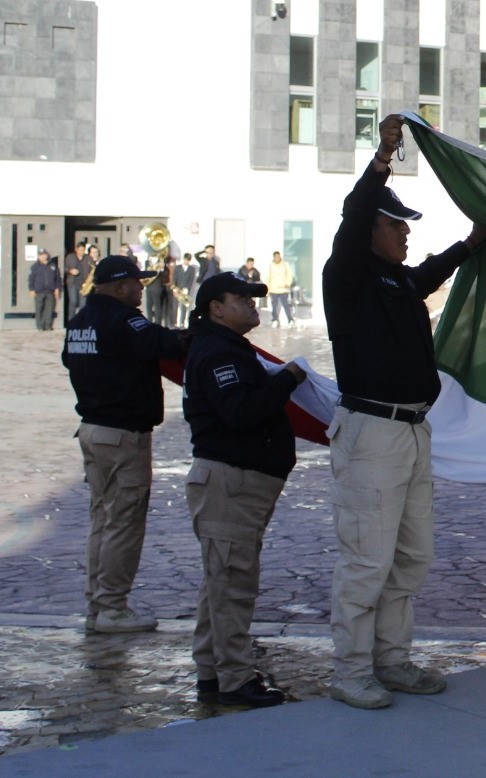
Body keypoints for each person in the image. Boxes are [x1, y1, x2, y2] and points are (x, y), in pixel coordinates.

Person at [323, 113, 486, 710]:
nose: (405, 235)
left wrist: (467, 248)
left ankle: (392, 660)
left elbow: (425, 275)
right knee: (367, 558)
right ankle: (350, 670)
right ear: (371, 228)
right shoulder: (346, 276)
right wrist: (382, 156)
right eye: (397, 225)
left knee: (411, 554)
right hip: (371, 432)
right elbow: (352, 217)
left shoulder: (394, 281)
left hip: (413, 433)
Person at [183, 272, 306, 708]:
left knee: (220, 582)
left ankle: (213, 673)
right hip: (229, 483)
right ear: (216, 307)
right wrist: (288, 378)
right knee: (232, 584)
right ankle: (234, 680)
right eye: (243, 298)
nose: (254, 305)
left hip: (236, 483)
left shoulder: (228, 349)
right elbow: (241, 410)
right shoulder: (220, 353)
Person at [61, 254, 186, 633]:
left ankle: (97, 605)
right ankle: (113, 608)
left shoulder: (80, 321)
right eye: (136, 283)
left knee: (102, 520)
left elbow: (70, 360)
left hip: (93, 430)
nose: (141, 289)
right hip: (122, 435)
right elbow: (163, 343)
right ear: (119, 287)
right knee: (124, 523)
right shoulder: (124, 318)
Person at [29, 249, 60, 331]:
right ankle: (39, 326)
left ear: (46, 255)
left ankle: (48, 325)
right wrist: (31, 289)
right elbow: (31, 279)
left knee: (49, 310)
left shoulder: (53, 266)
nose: (42, 256)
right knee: (39, 309)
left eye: (43, 255)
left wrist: (57, 288)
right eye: (40, 255)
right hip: (39, 291)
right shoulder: (35, 266)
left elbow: (57, 279)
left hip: (50, 291)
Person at [266, 250, 297, 327]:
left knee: (286, 305)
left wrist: (287, 283)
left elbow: (290, 275)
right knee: (274, 306)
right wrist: (268, 288)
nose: (277, 258)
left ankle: (290, 320)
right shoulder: (271, 265)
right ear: (274, 257)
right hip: (274, 289)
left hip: (283, 289)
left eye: (278, 256)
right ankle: (275, 320)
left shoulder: (285, 265)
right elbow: (267, 277)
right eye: (275, 257)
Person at [172, 252, 200, 328]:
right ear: (183, 259)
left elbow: (191, 280)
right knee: (175, 306)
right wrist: (174, 288)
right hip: (177, 290)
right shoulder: (177, 267)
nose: (186, 261)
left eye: (188, 260)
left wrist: (187, 288)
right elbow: (174, 278)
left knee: (184, 307)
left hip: (185, 291)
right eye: (185, 260)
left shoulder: (192, 269)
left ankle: (182, 323)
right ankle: (174, 323)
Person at [63, 239, 87, 322]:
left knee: (83, 304)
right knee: (73, 301)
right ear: (76, 249)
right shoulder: (70, 257)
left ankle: (81, 321)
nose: (81, 252)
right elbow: (64, 268)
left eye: (83, 250)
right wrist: (70, 271)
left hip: (84, 284)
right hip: (72, 283)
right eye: (80, 250)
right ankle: (71, 320)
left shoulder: (88, 258)